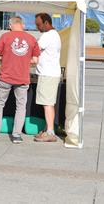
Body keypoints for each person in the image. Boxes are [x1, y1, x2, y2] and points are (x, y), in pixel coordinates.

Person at [0, 16, 40, 144]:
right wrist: (24, 60)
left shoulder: (5, 37)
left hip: (6, 77)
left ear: (10, 25)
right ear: (22, 25)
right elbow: (35, 60)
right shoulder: (31, 39)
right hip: (23, 78)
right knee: (21, 107)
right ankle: (16, 135)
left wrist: (7, 59)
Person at [33, 13, 62, 143]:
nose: (37, 27)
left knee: (48, 104)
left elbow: (35, 49)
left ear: (46, 22)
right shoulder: (54, 34)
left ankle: (50, 132)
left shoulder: (47, 35)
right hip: (50, 73)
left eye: (38, 24)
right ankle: (47, 129)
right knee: (49, 103)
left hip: (48, 74)